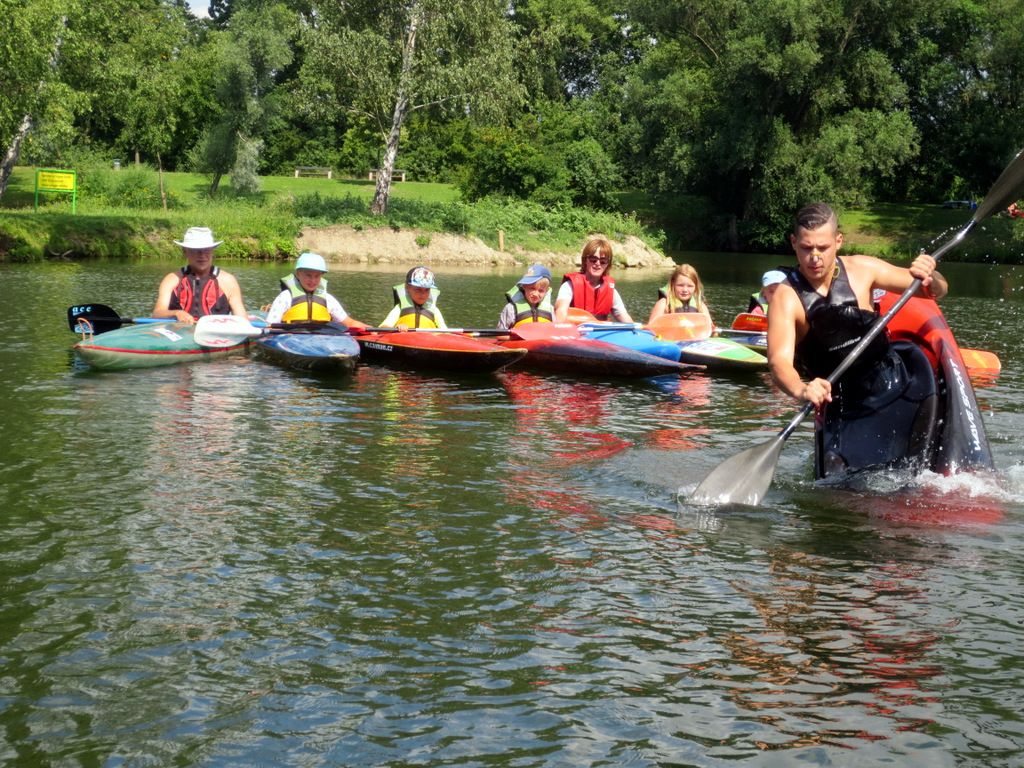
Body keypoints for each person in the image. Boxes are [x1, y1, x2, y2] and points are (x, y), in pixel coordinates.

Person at [767, 202, 947, 410]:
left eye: (823, 248)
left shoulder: (863, 269)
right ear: (793, 242)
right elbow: (778, 362)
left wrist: (931, 277)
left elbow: (939, 290)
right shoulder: (785, 297)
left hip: (895, 383)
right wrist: (802, 390)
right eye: (807, 248)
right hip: (841, 404)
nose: (815, 258)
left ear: (838, 241)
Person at [153, 226, 247, 323]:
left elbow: (242, 319)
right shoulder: (172, 279)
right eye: (196, 250)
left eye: (206, 250)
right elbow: (157, 313)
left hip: (216, 336)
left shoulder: (228, 281)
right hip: (178, 331)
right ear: (185, 252)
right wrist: (177, 313)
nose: (202, 255)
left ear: (212, 251)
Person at [263, 251, 366, 329]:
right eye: (308, 275)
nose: (313, 280)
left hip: (320, 339)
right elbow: (269, 325)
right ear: (298, 274)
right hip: (290, 337)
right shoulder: (286, 297)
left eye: (317, 276)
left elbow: (349, 323)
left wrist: (370, 329)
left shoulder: (327, 299)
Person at [553, 236, 634, 323]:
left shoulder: (611, 291)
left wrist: (637, 331)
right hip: (575, 332)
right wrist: (560, 327)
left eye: (603, 261)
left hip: (598, 333)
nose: (598, 264)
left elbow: (624, 317)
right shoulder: (569, 286)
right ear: (585, 261)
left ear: (608, 264)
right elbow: (561, 310)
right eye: (593, 259)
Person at [380, 266, 448, 329]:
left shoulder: (435, 310)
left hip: (428, 340)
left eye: (427, 290)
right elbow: (384, 326)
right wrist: (397, 328)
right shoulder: (399, 308)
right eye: (418, 289)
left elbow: (445, 332)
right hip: (403, 339)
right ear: (407, 287)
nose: (423, 294)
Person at [647, 263, 712, 324]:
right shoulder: (663, 304)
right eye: (680, 285)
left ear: (695, 287)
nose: (685, 290)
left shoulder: (700, 305)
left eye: (690, 286)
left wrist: (714, 332)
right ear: (673, 284)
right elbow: (651, 327)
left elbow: (709, 327)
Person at [497, 264, 553, 330]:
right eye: (532, 288)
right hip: (518, 339)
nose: (535, 294)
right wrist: (517, 336)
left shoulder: (550, 309)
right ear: (524, 287)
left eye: (541, 291)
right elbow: (500, 335)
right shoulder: (511, 309)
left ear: (546, 291)